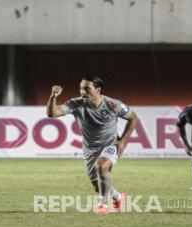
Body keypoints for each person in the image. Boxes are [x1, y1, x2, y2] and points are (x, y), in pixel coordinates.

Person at [47, 75, 138, 215]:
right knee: (99, 186)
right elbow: (53, 113)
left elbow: (133, 118)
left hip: (110, 143)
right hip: (90, 149)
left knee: (101, 166)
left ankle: (103, 205)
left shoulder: (112, 104)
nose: (83, 92)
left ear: (98, 90)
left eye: (87, 88)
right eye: (81, 88)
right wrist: (53, 96)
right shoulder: (76, 104)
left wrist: (123, 141)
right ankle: (118, 197)